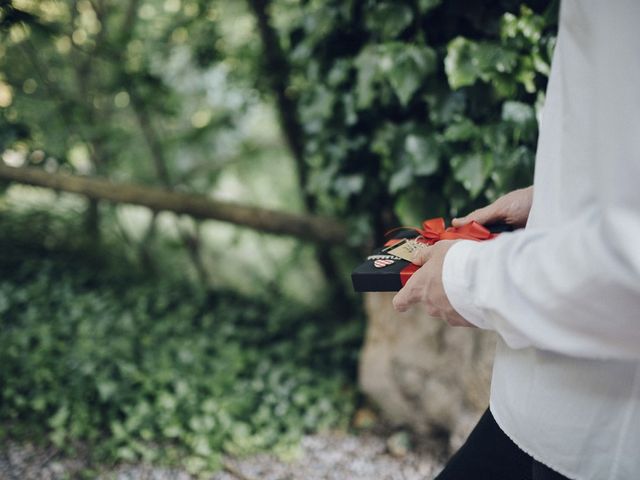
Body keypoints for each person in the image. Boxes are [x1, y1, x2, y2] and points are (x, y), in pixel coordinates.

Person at [392, 1, 640, 479]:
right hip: (534, 405)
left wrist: (465, 278)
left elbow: (626, 266)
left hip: (600, 440)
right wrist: (552, 198)